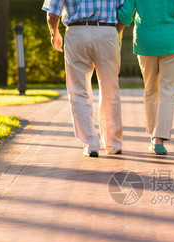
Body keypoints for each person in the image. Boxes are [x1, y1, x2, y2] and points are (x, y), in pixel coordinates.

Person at [117, 0, 174, 155]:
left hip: (145, 42)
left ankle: (153, 137)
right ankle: (158, 139)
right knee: (167, 92)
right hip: (173, 42)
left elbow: (126, 14)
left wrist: (113, 35)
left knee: (150, 90)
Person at [42, 0, 124, 157]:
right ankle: (113, 144)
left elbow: (52, 12)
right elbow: (124, 9)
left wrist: (54, 33)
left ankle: (91, 144)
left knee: (78, 90)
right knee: (110, 89)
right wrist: (114, 31)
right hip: (106, 31)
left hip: (76, 32)